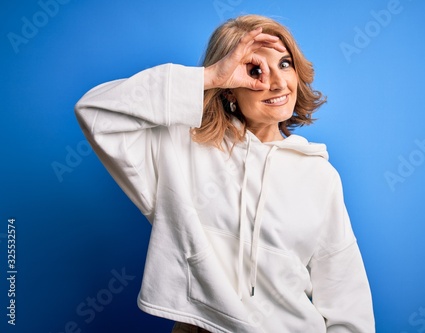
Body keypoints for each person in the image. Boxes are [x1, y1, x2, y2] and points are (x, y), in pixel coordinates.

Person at [75, 14, 375, 333]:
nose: (276, 82)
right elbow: (95, 112)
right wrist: (209, 77)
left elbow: (347, 300)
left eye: (285, 64)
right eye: (254, 69)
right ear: (230, 88)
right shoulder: (179, 148)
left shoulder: (319, 174)